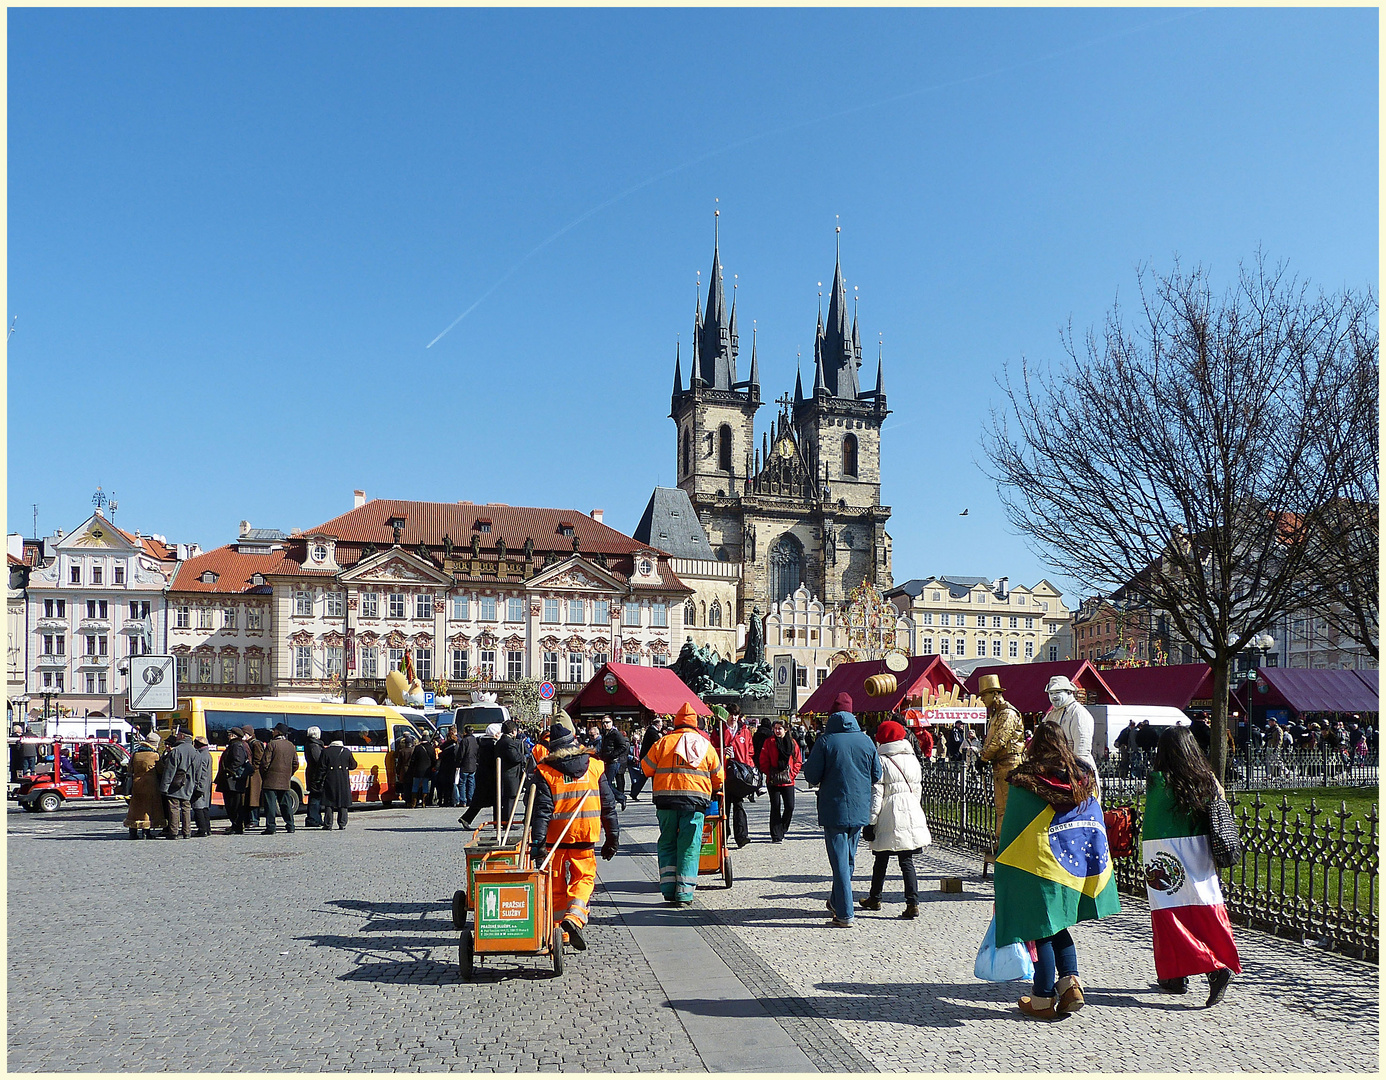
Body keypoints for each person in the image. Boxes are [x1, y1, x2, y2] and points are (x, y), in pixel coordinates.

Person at [995, 721, 1118, 1019]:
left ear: (1035, 744)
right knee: (1059, 924)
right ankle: (1071, 983)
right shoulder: (1082, 779)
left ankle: (1041, 997)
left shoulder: (1025, 782)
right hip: (1070, 863)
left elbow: (1013, 829)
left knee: (1041, 929)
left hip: (1035, 864)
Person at [1143, 726, 1241, 1005]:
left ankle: (1212, 968)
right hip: (1199, 853)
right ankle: (1175, 976)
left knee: (1169, 917)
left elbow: (1154, 822)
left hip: (1163, 854)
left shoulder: (1158, 781)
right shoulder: (1206, 780)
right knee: (1203, 911)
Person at [530, 714, 620, 950]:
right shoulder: (594, 767)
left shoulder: (545, 771)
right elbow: (608, 806)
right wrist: (612, 837)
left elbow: (541, 812)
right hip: (584, 835)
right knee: (584, 879)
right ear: (575, 739)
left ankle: (560, 931)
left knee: (555, 885)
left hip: (555, 839)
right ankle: (575, 917)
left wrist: (537, 844)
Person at [803, 693, 881, 928]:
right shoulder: (866, 741)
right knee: (848, 858)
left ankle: (845, 913)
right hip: (859, 807)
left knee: (839, 861)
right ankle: (837, 902)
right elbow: (877, 775)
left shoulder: (826, 741)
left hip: (834, 807)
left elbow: (811, 775)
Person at [642, 702, 724, 905]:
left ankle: (669, 888)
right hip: (695, 803)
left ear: (677, 722)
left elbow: (646, 768)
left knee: (667, 842)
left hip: (666, 801)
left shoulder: (663, 742)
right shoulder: (706, 745)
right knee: (689, 845)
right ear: (695, 724)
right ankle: (684, 893)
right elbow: (718, 777)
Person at [860, 719, 931, 918]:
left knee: (881, 858)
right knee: (906, 860)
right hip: (910, 807)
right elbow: (917, 788)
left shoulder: (881, 760)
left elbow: (877, 793)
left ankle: (875, 897)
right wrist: (912, 806)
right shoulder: (912, 758)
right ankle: (913, 902)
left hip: (888, 810)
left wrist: (871, 821)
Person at [977, 673, 1025, 853]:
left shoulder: (1007, 713)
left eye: (984, 695)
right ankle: (1001, 842)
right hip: (1000, 764)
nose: (982, 699)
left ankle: (1009, 845)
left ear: (995, 694)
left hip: (1010, 763)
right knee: (1000, 807)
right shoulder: (996, 714)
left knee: (1008, 806)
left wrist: (984, 757)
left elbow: (1000, 739)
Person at [460, 721, 526, 827]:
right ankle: (495, 821)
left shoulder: (483, 742)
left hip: (485, 775)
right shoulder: (491, 744)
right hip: (490, 776)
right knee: (488, 800)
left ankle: (495, 821)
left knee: (487, 800)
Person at [1043, 676, 1099, 789]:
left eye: (1057, 692)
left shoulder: (1078, 713)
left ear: (1069, 692)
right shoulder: (1051, 714)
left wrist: (1076, 772)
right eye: (1051, 693)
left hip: (1076, 769)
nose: (1054, 697)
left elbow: (1082, 747)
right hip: (1055, 768)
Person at [757, 717, 802, 844]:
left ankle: (783, 828)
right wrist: (769, 773)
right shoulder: (769, 742)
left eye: (780, 729)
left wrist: (792, 774)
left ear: (786, 730)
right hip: (773, 779)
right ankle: (776, 834)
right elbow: (763, 759)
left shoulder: (792, 743)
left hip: (788, 780)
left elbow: (798, 760)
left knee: (790, 806)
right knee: (775, 807)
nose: (777, 731)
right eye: (775, 728)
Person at [122, 732, 166, 840]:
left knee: (135, 808)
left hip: (137, 784)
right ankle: (146, 832)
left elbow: (130, 769)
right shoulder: (154, 755)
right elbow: (160, 770)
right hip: (150, 784)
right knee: (147, 808)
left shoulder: (135, 754)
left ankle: (133, 832)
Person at [260, 723, 300, 835]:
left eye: (274, 730)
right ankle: (290, 825)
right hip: (285, 780)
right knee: (286, 804)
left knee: (270, 805)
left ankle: (271, 827)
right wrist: (288, 774)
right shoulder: (290, 745)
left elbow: (265, 763)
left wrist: (266, 775)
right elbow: (295, 763)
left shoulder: (272, 744)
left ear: (278, 732)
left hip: (270, 780)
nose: (272, 732)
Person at [160, 729, 198, 840]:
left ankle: (174, 832)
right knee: (186, 808)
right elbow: (198, 771)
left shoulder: (176, 751)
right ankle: (187, 832)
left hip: (175, 785)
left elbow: (169, 771)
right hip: (189, 784)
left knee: (174, 808)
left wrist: (164, 787)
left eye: (178, 735)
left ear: (182, 736)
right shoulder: (195, 752)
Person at [320, 732, 358, 830]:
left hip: (330, 779)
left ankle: (328, 824)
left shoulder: (326, 751)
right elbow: (353, 765)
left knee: (329, 801)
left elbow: (321, 767)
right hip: (343, 779)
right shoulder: (346, 751)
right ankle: (342, 823)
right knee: (343, 801)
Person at [215, 728, 248, 834]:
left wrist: (229, 772)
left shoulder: (236, 745)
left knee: (234, 804)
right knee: (231, 804)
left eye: (229, 734)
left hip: (233, 781)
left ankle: (237, 826)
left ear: (234, 735)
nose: (228, 736)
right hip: (231, 781)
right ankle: (235, 825)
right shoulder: (234, 745)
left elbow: (238, 761)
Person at [599, 715, 631, 811]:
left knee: (607, 784)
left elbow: (623, 746)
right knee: (605, 783)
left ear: (612, 722)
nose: (605, 724)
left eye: (607, 722)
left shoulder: (616, 734)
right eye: (603, 722)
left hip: (613, 762)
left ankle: (620, 797)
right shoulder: (606, 734)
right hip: (606, 761)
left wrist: (612, 755)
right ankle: (614, 799)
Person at [238, 725, 265, 832]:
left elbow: (259, 759)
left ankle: (254, 820)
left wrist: (251, 768)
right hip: (249, 774)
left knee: (253, 798)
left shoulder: (256, 743)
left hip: (254, 775)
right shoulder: (247, 743)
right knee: (247, 798)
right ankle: (248, 819)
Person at [629, 716, 662, 801]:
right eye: (661, 725)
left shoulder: (651, 731)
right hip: (649, 758)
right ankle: (654, 795)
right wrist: (661, 736)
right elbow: (657, 743)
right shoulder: (652, 732)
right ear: (658, 725)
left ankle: (635, 792)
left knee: (645, 777)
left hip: (648, 757)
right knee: (646, 776)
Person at [190, 735, 214, 837]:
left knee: (198, 807)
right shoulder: (207, 754)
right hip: (206, 784)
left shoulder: (201, 756)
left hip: (201, 785)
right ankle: (207, 829)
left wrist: (199, 787)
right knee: (204, 807)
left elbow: (203, 773)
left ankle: (202, 829)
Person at [303, 725, 326, 828]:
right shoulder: (314, 745)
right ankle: (313, 819)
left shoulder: (311, 744)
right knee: (315, 797)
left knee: (316, 797)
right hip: (315, 775)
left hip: (313, 773)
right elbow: (318, 761)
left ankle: (316, 818)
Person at [456, 724, 479, 808]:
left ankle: (463, 800)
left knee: (462, 783)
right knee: (471, 783)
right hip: (473, 764)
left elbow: (461, 754)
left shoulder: (464, 740)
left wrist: (458, 763)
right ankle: (471, 800)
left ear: (465, 732)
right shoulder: (475, 740)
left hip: (465, 765)